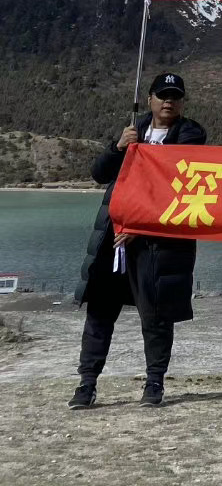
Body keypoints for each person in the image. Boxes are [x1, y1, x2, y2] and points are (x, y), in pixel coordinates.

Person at [70, 73, 207, 410]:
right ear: (149, 99)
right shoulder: (131, 131)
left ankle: (154, 382)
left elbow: (172, 184)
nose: (168, 101)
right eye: (162, 95)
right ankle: (86, 383)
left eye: (175, 96)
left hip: (156, 242)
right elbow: (100, 174)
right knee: (100, 310)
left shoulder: (191, 134)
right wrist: (117, 147)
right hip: (113, 237)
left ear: (182, 102)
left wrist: (140, 224)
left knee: (156, 314)